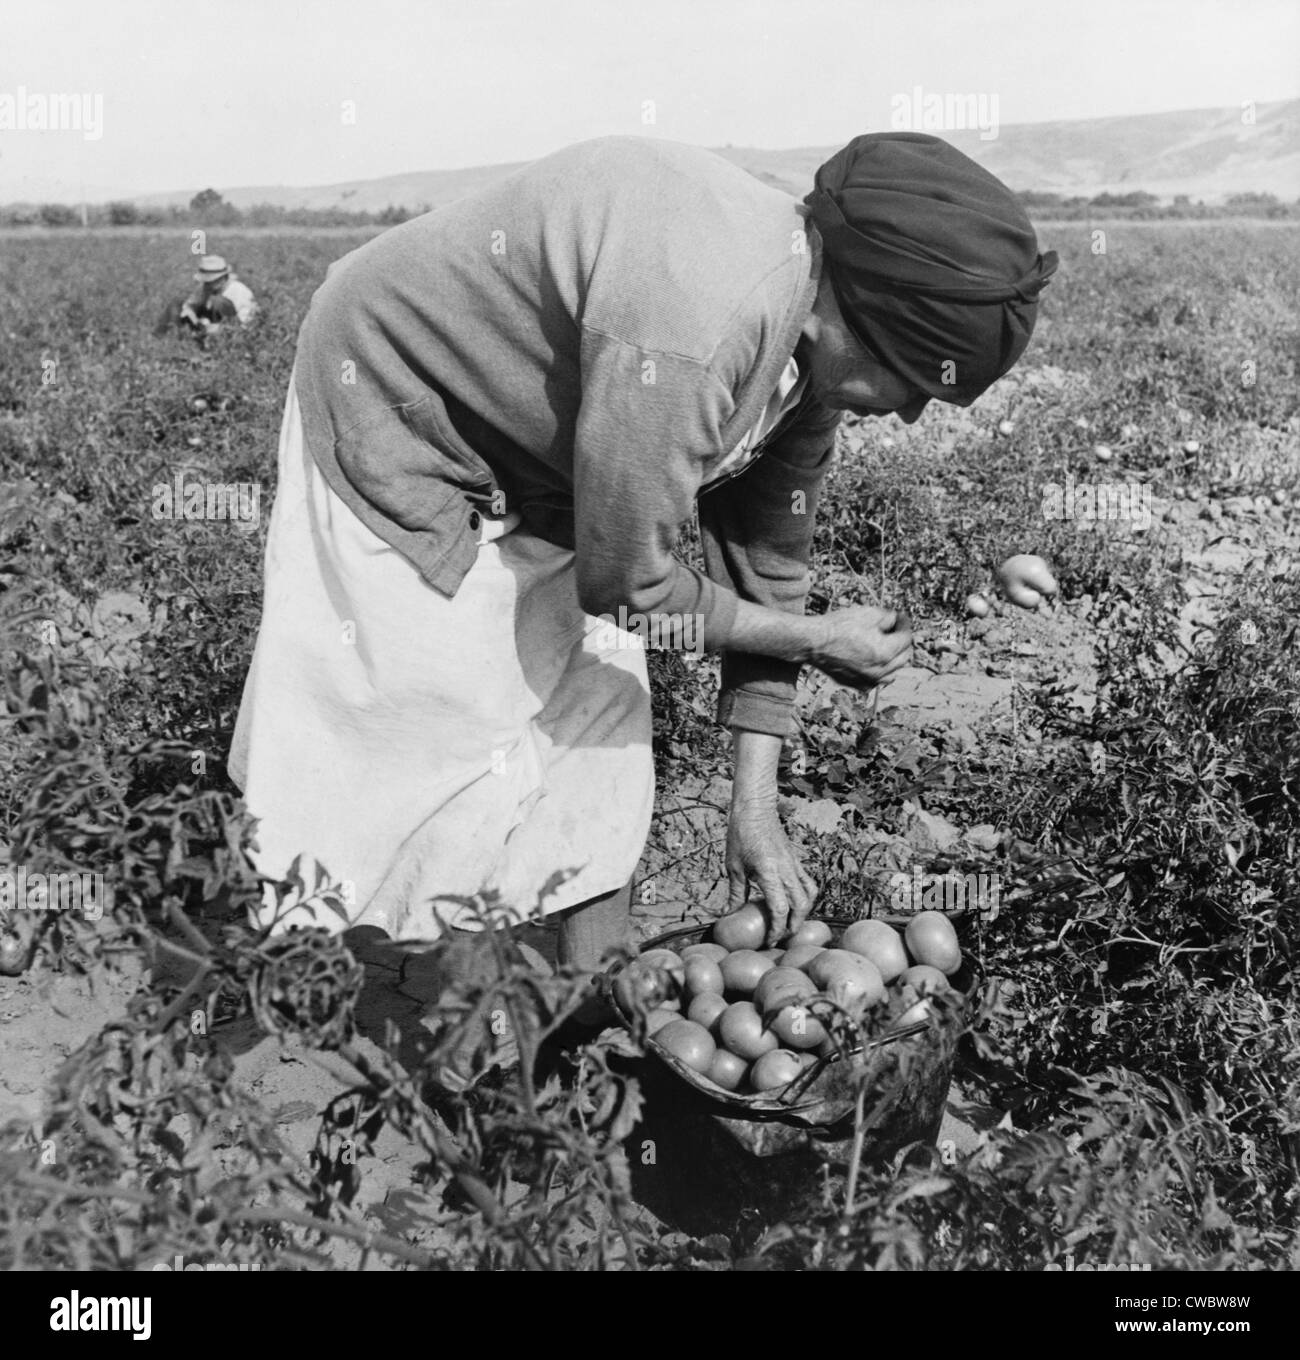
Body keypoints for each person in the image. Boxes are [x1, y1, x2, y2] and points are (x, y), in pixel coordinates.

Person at [230, 132, 1057, 997]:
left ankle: (601, 1003)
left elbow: (764, 564)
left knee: (600, 726)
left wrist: (755, 806)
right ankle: (387, 1006)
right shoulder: (701, 321)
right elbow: (629, 587)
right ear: (858, 322)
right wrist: (814, 641)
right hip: (401, 400)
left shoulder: (809, 350)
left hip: (557, 466)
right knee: (438, 728)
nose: (916, 417)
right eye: (915, 385)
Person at [157, 254, 258, 338]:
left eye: (211, 281)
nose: (208, 285)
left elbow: (247, 324)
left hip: (229, 329)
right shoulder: (205, 288)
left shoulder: (239, 291)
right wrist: (194, 318)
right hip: (205, 323)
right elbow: (190, 304)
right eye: (207, 282)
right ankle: (164, 337)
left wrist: (218, 328)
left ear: (223, 278)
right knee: (177, 303)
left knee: (217, 301)